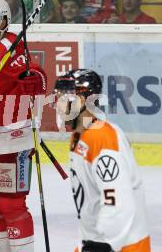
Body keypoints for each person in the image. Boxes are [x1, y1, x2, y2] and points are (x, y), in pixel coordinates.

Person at [0, 0, 47, 252]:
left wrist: (35, 80)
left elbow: (36, 71)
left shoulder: (11, 48)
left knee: (11, 206)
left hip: (14, 140)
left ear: (3, 21)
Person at [54, 69, 151, 252]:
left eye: (63, 98)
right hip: (95, 242)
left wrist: (102, 244)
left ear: (82, 101)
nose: (57, 105)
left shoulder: (103, 139)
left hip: (121, 246)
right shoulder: (79, 136)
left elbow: (118, 202)